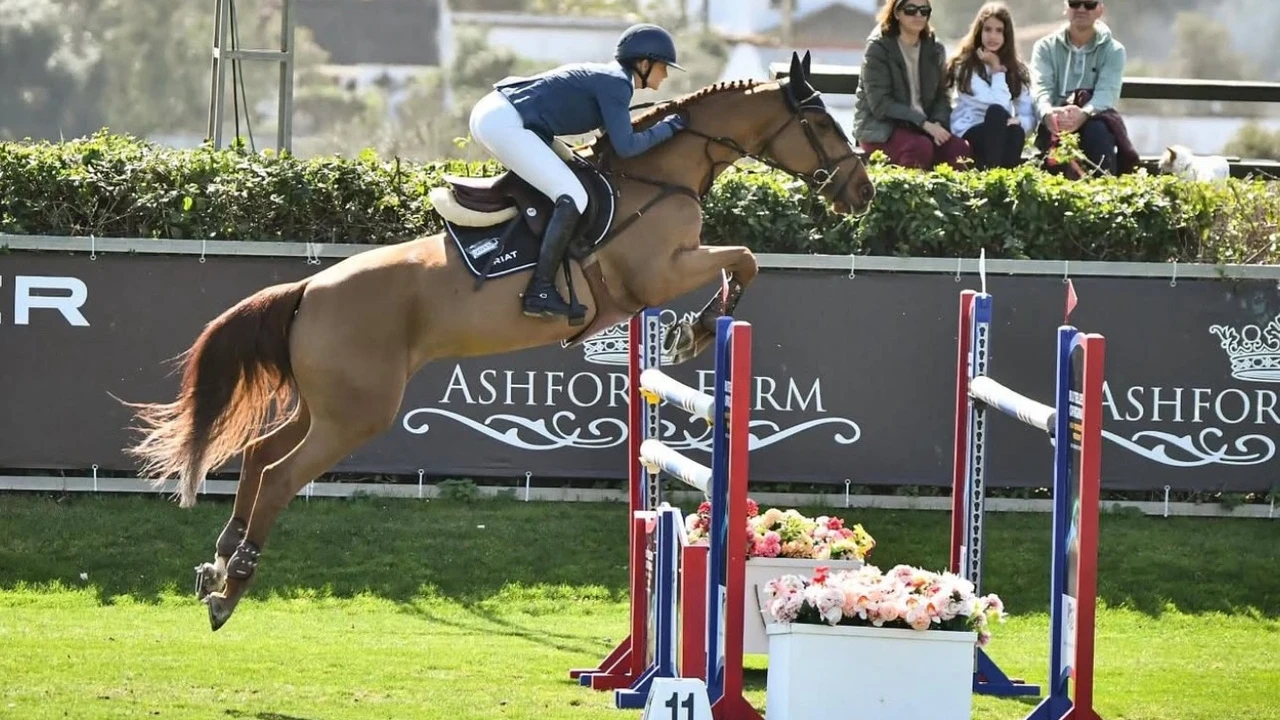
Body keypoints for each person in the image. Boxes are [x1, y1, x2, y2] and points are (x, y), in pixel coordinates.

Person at [469, 23, 689, 321]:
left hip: (501, 115)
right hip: (505, 121)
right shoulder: (617, 83)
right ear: (644, 63)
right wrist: (669, 128)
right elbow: (625, 147)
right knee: (573, 195)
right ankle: (540, 290)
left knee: (571, 178)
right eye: (663, 66)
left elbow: (611, 141)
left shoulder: (612, 79)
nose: (665, 75)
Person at [852, 0, 971, 171]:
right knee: (920, 147)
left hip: (924, 128)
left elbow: (942, 96)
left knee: (960, 149)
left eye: (924, 11)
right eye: (910, 10)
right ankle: (909, 196)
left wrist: (937, 123)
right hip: (881, 129)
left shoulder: (935, 49)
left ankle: (949, 197)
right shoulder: (878, 49)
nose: (918, 15)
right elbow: (881, 105)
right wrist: (924, 124)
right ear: (896, 13)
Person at [1029, 0, 1127, 176]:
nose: (1081, 9)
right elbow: (1040, 87)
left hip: (1094, 123)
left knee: (1097, 131)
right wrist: (1048, 113)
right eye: (1074, 3)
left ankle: (1104, 195)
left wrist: (1083, 114)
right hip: (1053, 123)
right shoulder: (1044, 48)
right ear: (1065, 8)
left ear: (1100, 10)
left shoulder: (1114, 51)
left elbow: (1107, 93)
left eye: (1089, 4)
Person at [946, 2, 1036, 169]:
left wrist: (1019, 121)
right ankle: (992, 175)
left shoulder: (1016, 69)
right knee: (996, 113)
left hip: (1001, 128)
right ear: (979, 31)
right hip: (970, 129)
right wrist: (997, 70)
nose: (992, 36)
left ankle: (1004, 179)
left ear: (1006, 35)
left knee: (1016, 131)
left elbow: (1028, 114)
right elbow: (997, 105)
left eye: (999, 31)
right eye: (987, 30)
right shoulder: (964, 65)